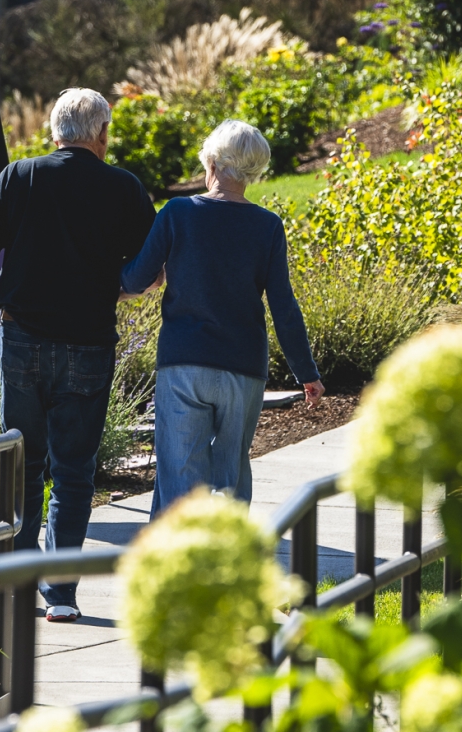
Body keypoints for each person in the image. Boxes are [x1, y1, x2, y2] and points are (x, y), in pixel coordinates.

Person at [0, 88, 156, 623]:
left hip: (23, 340)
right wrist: (110, 288)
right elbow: (150, 273)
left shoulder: (19, 177)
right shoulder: (124, 187)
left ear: (54, 132)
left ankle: (17, 583)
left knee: (21, 465)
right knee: (74, 472)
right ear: (103, 134)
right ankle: (62, 595)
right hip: (89, 345)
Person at [121, 119, 323, 511]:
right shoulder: (268, 226)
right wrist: (306, 373)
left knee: (179, 481)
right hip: (243, 368)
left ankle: (176, 548)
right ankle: (228, 547)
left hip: (184, 362)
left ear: (211, 162)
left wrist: (116, 280)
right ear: (254, 171)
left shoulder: (178, 213)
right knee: (230, 480)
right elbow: (283, 306)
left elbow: (136, 277)